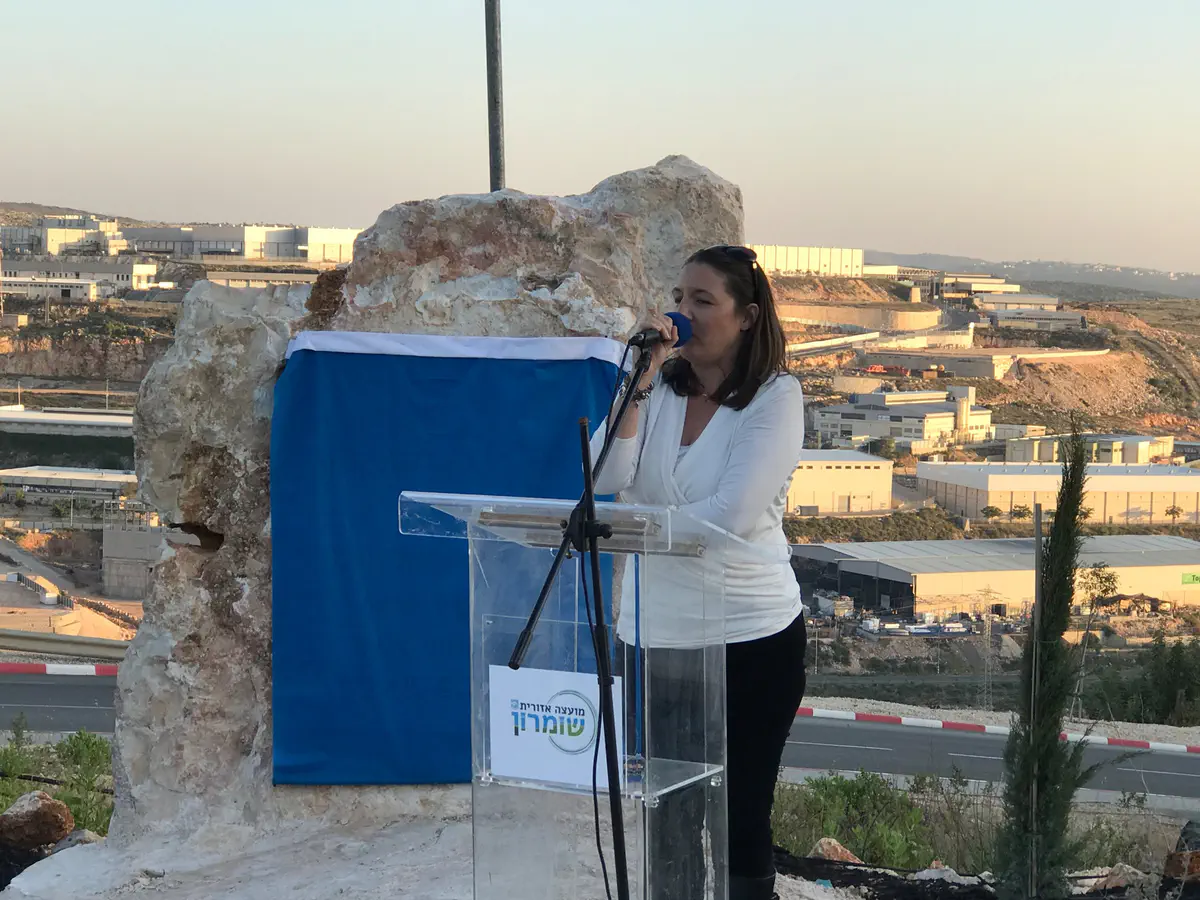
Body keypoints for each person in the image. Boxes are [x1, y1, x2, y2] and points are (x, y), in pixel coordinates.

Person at [589, 244, 808, 900]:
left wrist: (635, 530)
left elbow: (729, 517)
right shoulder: (658, 388)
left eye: (703, 300)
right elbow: (603, 475)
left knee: (739, 819)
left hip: (748, 639)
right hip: (655, 638)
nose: (682, 312)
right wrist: (640, 381)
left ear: (747, 316)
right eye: (679, 298)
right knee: (669, 818)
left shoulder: (775, 397)